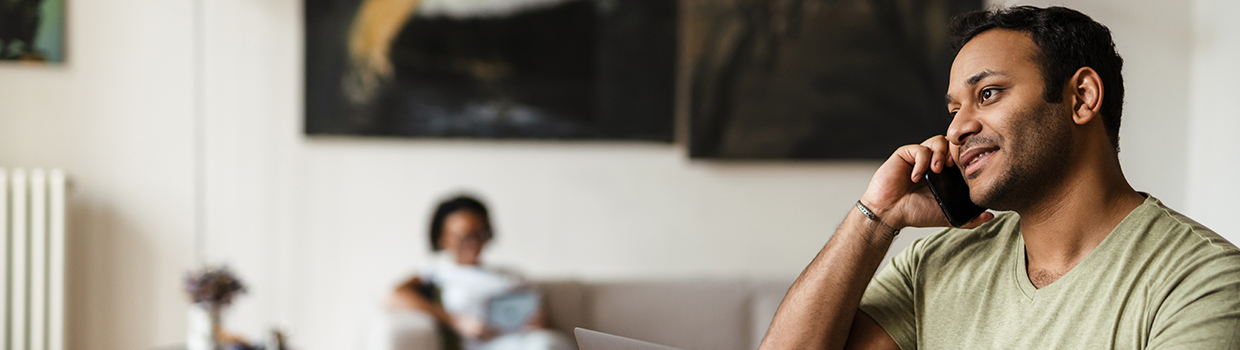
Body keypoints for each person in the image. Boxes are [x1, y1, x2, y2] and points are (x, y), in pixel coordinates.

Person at [760, 6, 1240, 350]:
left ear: (1082, 98)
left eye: (987, 94)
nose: (956, 128)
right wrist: (876, 217)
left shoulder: (1201, 280)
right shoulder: (934, 265)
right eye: (953, 109)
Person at [388, 195, 573, 350]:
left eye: (480, 233)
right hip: (484, 345)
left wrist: (538, 321)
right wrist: (454, 320)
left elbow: (546, 323)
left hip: (529, 341)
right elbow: (395, 296)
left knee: (547, 343)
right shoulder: (436, 272)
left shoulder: (510, 275)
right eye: (464, 237)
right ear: (442, 238)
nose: (474, 243)